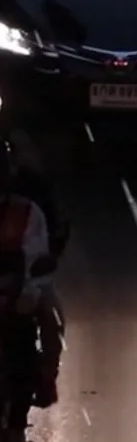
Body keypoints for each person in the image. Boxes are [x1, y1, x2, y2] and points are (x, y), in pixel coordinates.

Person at [0, 133, 68, 410]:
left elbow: (38, 252)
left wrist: (30, 288)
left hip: (22, 286)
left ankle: (45, 378)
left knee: (52, 315)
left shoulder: (28, 210)